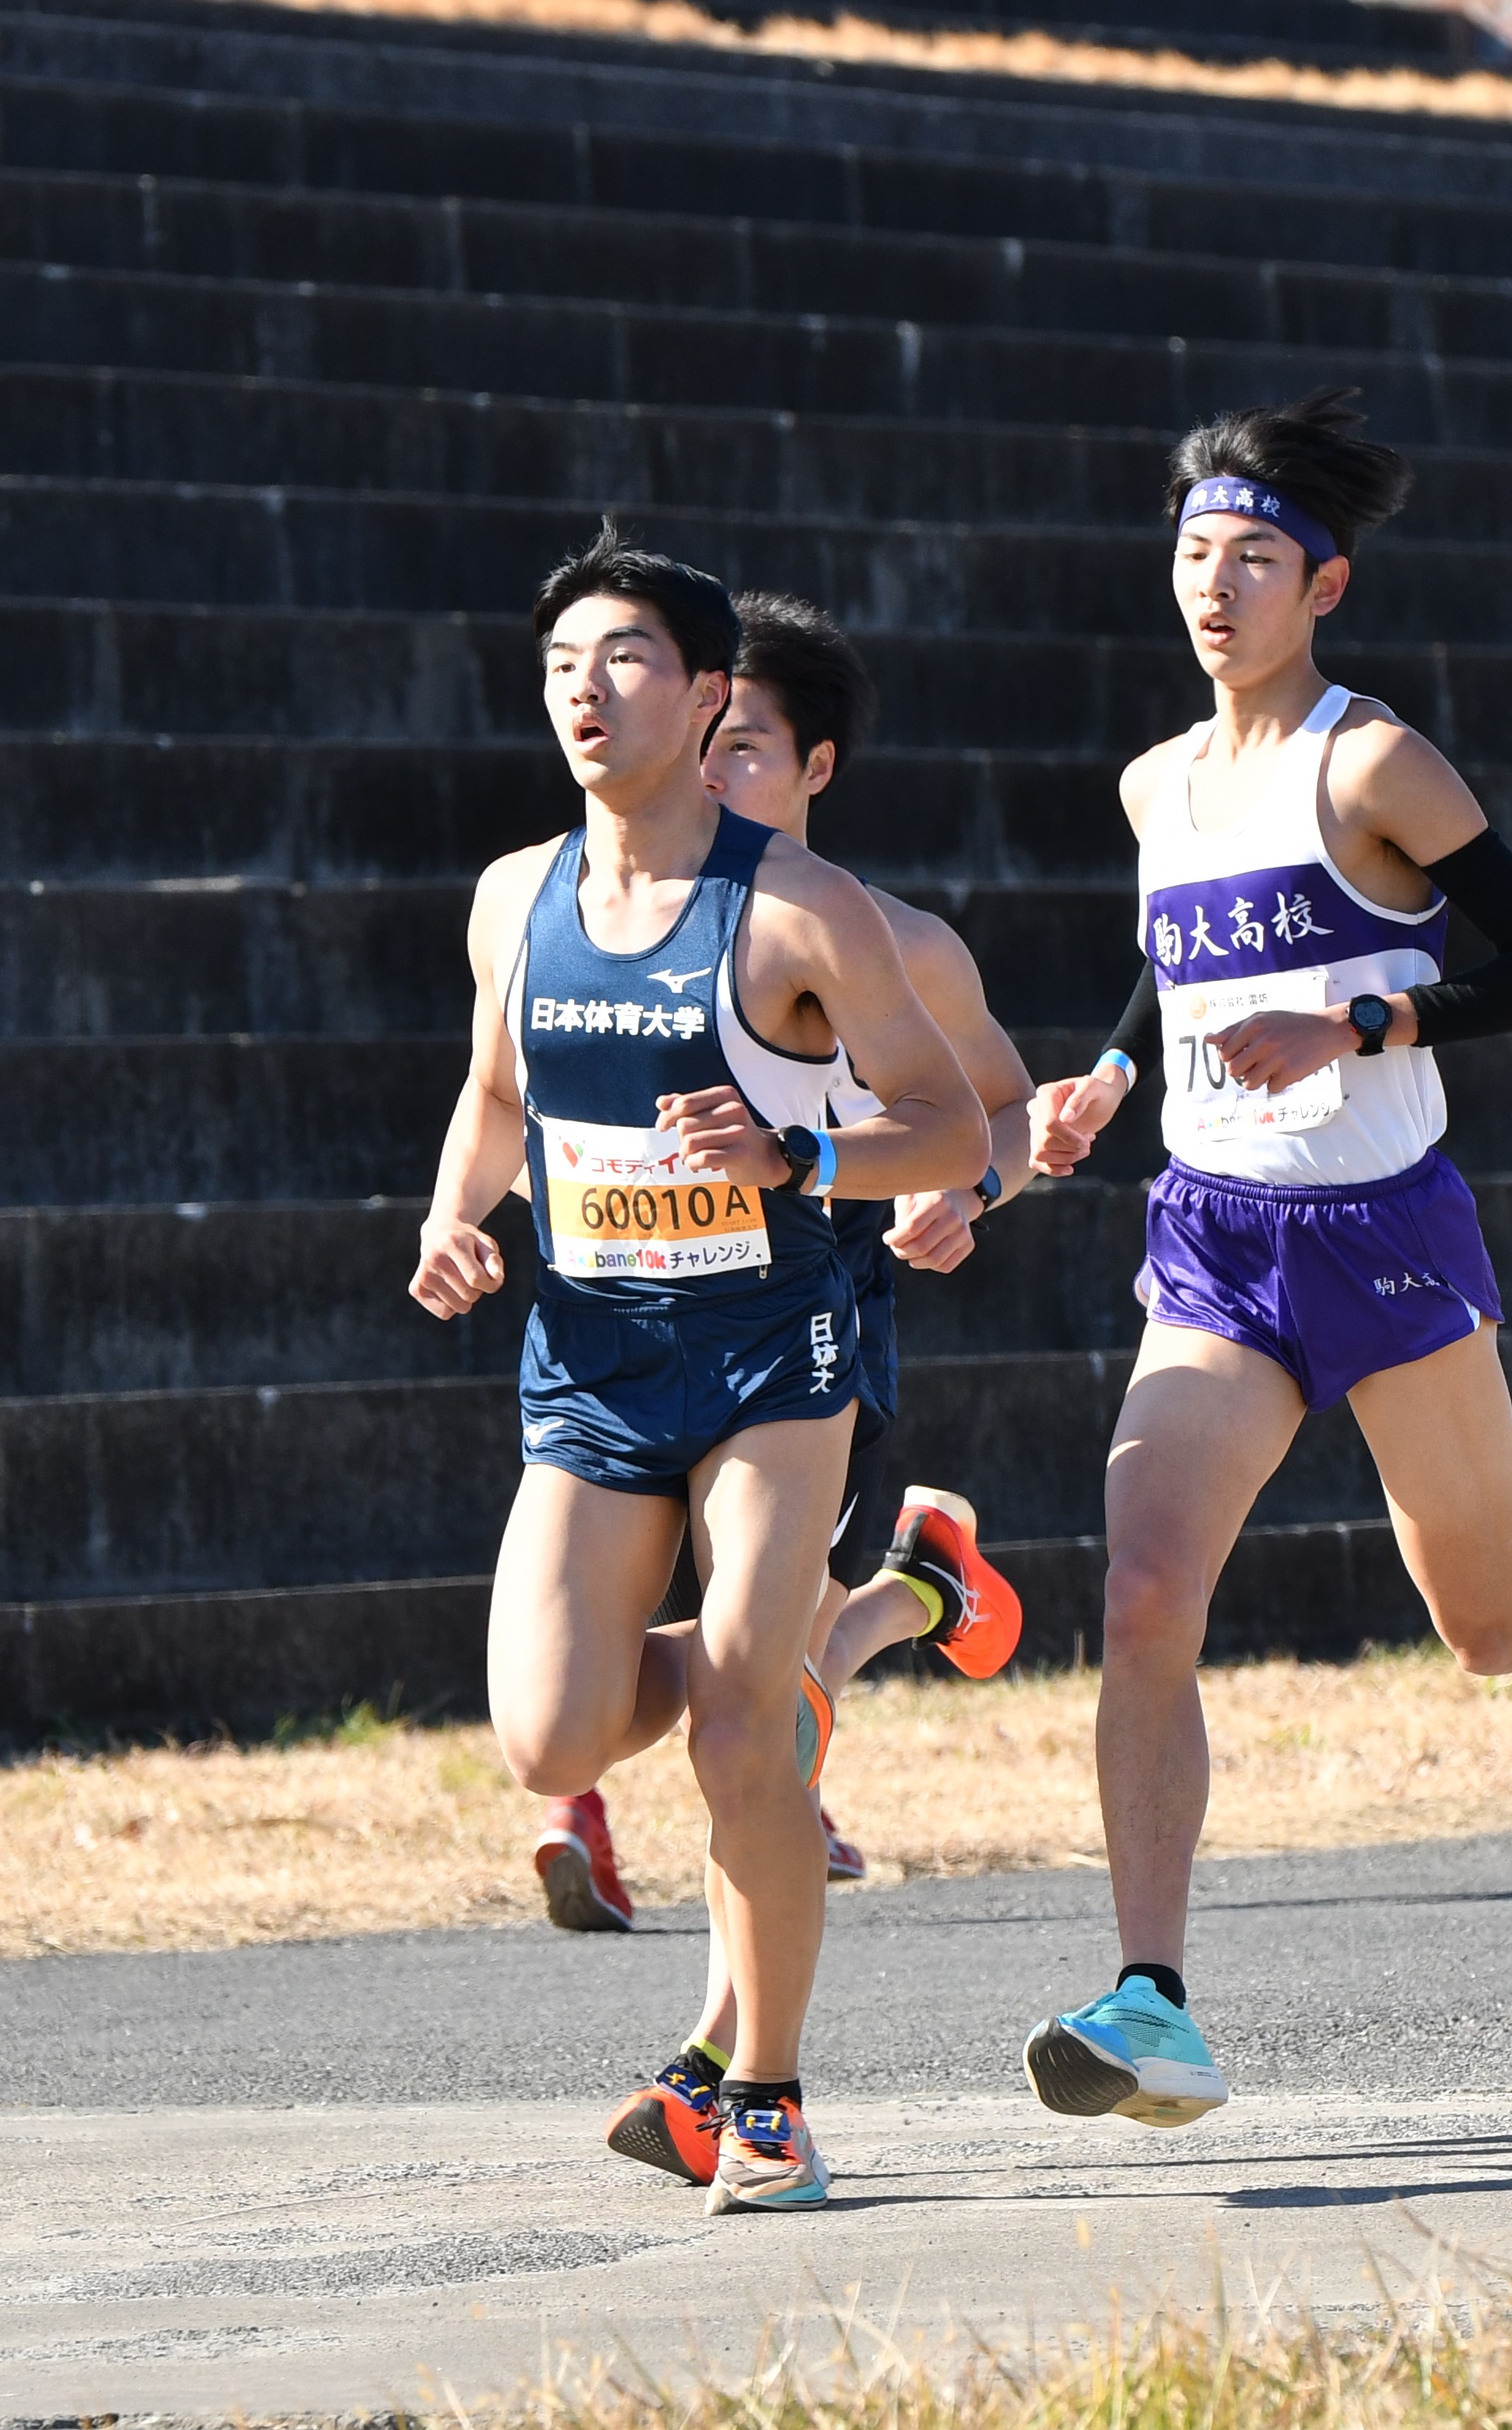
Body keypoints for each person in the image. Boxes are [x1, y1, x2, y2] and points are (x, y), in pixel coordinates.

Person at [1021, 390, 1512, 2130]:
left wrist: (1361, 1015)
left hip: (1387, 1235)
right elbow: (1172, 972)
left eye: (1254, 558)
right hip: (1214, 1240)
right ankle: (1157, 1998)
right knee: (1139, 1594)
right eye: (1194, 552)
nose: (1215, 584)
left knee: (1487, 1621)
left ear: (1323, 582)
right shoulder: (1155, 783)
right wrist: (1111, 1075)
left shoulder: (1372, 763)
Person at [409, 527, 988, 2211]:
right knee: (551, 1731)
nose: (588, 694)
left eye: (630, 662)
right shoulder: (513, 896)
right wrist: (457, 1218)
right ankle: (840, 1619)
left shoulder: (799, 908)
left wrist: (799, 1162)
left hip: (769, 1356)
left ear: (712, 690)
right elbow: (494, 1094)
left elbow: (944, 1119)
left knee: (742, 1730)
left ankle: (771, 2091)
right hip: (590, 1357)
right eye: (561, 667)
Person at [592, 589, 1041, 2187]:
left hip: (822, 1333)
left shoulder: (889, 940)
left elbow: (1002, 1104)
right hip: (657, 1339)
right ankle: (921, 1587)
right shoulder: (621, 910)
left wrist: (962, 1192)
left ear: (815, 766)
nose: (709, 776)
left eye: (747, 752)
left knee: (752, 1698)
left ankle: (729, 2062)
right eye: (695, 746)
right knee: (754, 1679)